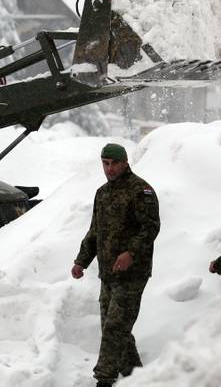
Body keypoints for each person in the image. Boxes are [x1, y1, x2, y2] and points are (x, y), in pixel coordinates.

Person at [71, 143, 160, 387]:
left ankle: (104, 379)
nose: (109, 169)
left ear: (124, 162)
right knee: (116, 329)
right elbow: (94, 232)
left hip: (133, 274)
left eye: (114, 164)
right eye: (105, 163)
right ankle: (137, 377)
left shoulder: (140, 190)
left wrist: (130, 253)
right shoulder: (102, 193)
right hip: (108, 274)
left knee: (114, 329)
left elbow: (150, 227)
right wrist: (81, 260)